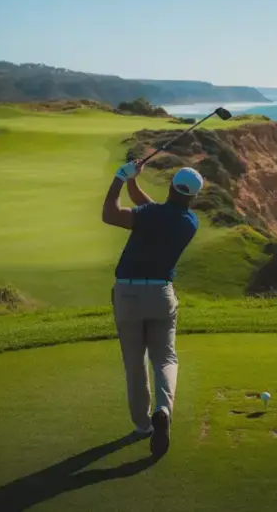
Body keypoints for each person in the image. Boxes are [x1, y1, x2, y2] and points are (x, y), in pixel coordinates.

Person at [101, 159, 204, 457]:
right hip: (161, 294)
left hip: (128, 294)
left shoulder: (152, 215)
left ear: (171, 186)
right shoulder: (189, 223)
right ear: (193, 197)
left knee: (135, 363)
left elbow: (110, 214)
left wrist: (120, 178)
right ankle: (163, 409)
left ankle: (142, 426)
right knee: (165, 357)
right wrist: (135, 182)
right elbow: (151, 210)